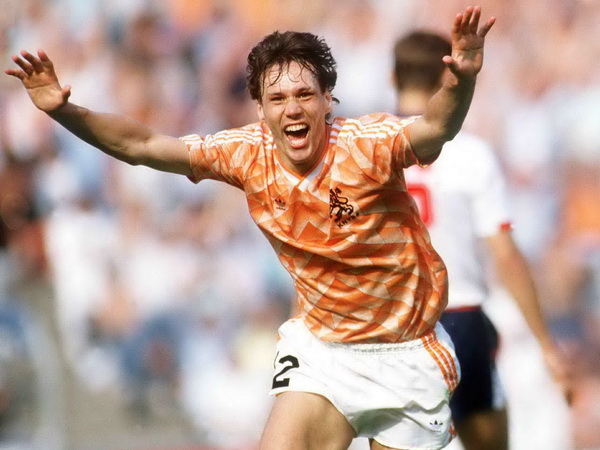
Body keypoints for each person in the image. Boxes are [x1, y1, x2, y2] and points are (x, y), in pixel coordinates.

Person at [6, 6, 495, 450]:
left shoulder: (367, 144)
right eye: (277, 97)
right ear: (260, 109)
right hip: (324, 351)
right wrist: (65, 111)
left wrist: (462, 81)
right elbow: (144, 146)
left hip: (405, 353)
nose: (292, 108)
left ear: (328, 100)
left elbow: (435, 127)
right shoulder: (245, 153)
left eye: (305, 94)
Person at [393, 31, 573, 450]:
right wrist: (546, 344)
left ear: (393, 76)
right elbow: (506, 256)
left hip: (395, 326)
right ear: (446, 76)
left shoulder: (368, 150)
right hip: (460, 318)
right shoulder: (470, 154)